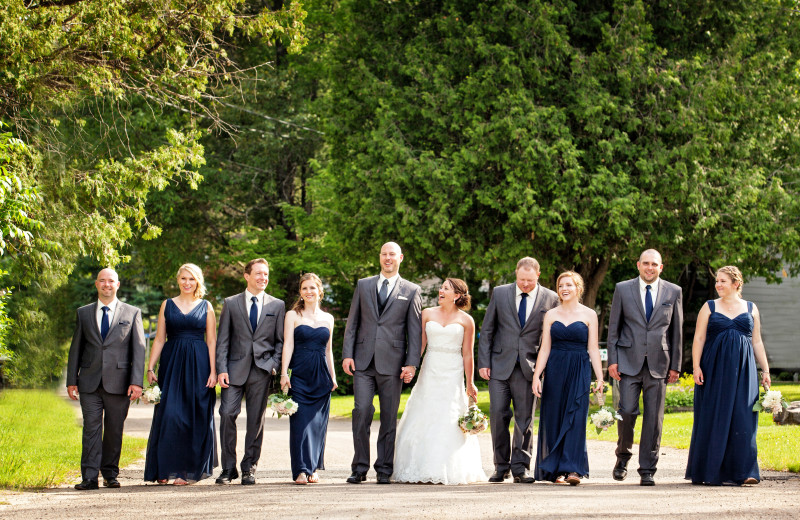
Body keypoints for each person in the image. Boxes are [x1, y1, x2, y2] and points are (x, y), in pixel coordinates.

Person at [393, 278, 487, 485]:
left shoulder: (466, 321)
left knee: (450, 415)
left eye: (446, 288)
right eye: (441, 287)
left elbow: (468, 355)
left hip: (453, 373)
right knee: (425, 412)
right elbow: (420, 345)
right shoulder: (427, 314)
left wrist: (470, 383)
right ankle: (419, 466)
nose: (441, 290)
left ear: (457, 295)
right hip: (431, 368)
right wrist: (411, 366)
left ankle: (449, 467)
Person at [342, 241, 422, 484]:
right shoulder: (363, 285)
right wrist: (347, 354)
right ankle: (359, 467)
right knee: (361, 411)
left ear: (401, 258)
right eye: (384, 254)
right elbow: (353, 322)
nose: (388, 258)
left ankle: (384, 469)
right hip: (363, 361)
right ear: (379, 257)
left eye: (392, 255)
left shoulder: (411, 290)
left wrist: (411, 363)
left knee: (388, 417)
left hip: (393, 363)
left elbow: (414, 331)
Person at [685, 266, 770, 485]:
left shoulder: (751, 308)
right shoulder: (709, 306)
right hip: (713, 368)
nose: (718, 285)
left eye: (722, 281)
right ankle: (710, 470)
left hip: (744, 370)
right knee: (715, 414)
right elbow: (699, 339)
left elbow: (757, 341)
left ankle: (746, 471)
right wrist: (696, 367)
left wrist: (766, 370)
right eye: (717, 281)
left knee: (744, 416)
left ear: (736, 283)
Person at [478, 257, 559, 483]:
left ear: (538, 275)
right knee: (498, 416)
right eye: (522, 280)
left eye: (530, 281)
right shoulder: (501, 293)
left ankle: (521, 468)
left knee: (525, 419)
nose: (525, 284)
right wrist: (483, 362)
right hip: (499, 366)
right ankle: (500, 466)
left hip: (530, 368)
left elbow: (551, 337)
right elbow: (488, 330)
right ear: (516, 274)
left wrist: (544, 371)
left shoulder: (551, 298)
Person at [607, 248, 683, 486]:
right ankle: (622, 457)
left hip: (660, 364)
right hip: (629, 362)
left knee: (654, 418)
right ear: (638, 265)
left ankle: (648, 468)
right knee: (627, 411)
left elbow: (677, 331)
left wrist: (676, 366)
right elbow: (613, 328)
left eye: (655, 264)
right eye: (646, 263)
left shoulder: (674, 291)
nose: (650, 268)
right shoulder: (622, 289)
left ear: (661, 267)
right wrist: (612, 360)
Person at [67, 268, 146, 490]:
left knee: (114, 429)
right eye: (102, 281)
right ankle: (89, 477)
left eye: (110, 281)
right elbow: (76, 349)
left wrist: (136, 381)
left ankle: (110, 473)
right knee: (91, 428)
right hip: (89, 382)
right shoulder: (83, 313)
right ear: (96, 284)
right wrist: (71, 380)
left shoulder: (132, 313)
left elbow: (138, 349)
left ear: (118, 285)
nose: (106, 285)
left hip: (120, 383)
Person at [143, 263, 218, 485]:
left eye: (192, 279)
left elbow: (211, 340)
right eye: (184, 279)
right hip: (172, 362)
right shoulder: (167, 304)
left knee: (192, 417)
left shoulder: (206, 306)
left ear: (198, 282)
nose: (187, 283)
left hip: (199, 363)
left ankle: (184, 471)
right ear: (178, 280)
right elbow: (159, 338)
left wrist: (213, 371)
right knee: (170, 415)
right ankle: (164, 468)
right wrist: (150, 367)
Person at [215, 258, 285, 485]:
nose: (263, 278)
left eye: (266, 274)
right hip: (234, 370)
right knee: (227, 414)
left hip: (262, 370)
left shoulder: (277, 305)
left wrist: (274, 364)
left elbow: (280, 341)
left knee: (256, 420)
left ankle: (249, 467)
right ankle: (228, 468)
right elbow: (223, 340)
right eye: (258, 274)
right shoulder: (231, 303)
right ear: (247, 276)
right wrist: (221, 369)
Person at [532, 272, 604, 485]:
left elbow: (593, 348)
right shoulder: (551, 314)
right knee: (554, 417)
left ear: (578, 289)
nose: (564, 288)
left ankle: (573, 469)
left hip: (579, 369)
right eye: (561, 285)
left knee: (575, 418)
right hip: (555, 370)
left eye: (569, 285)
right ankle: (556, 472)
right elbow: (545, 347)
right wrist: (537, 376)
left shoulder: (590, 314)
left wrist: (599, 377)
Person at [280, 273, 337, 485]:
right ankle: (300, 470)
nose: (308, 292)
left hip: (321, 375)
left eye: (312, 288)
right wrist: (284, 373)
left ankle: (313, 467)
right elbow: (288, 345)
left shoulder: (328, 319)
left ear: (319, 291)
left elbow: (329, 350)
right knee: (300, 424)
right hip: (301, 375)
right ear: (300, 292)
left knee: (317, 424)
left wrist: (333, 376)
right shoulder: (293, 315)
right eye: (304, 288)